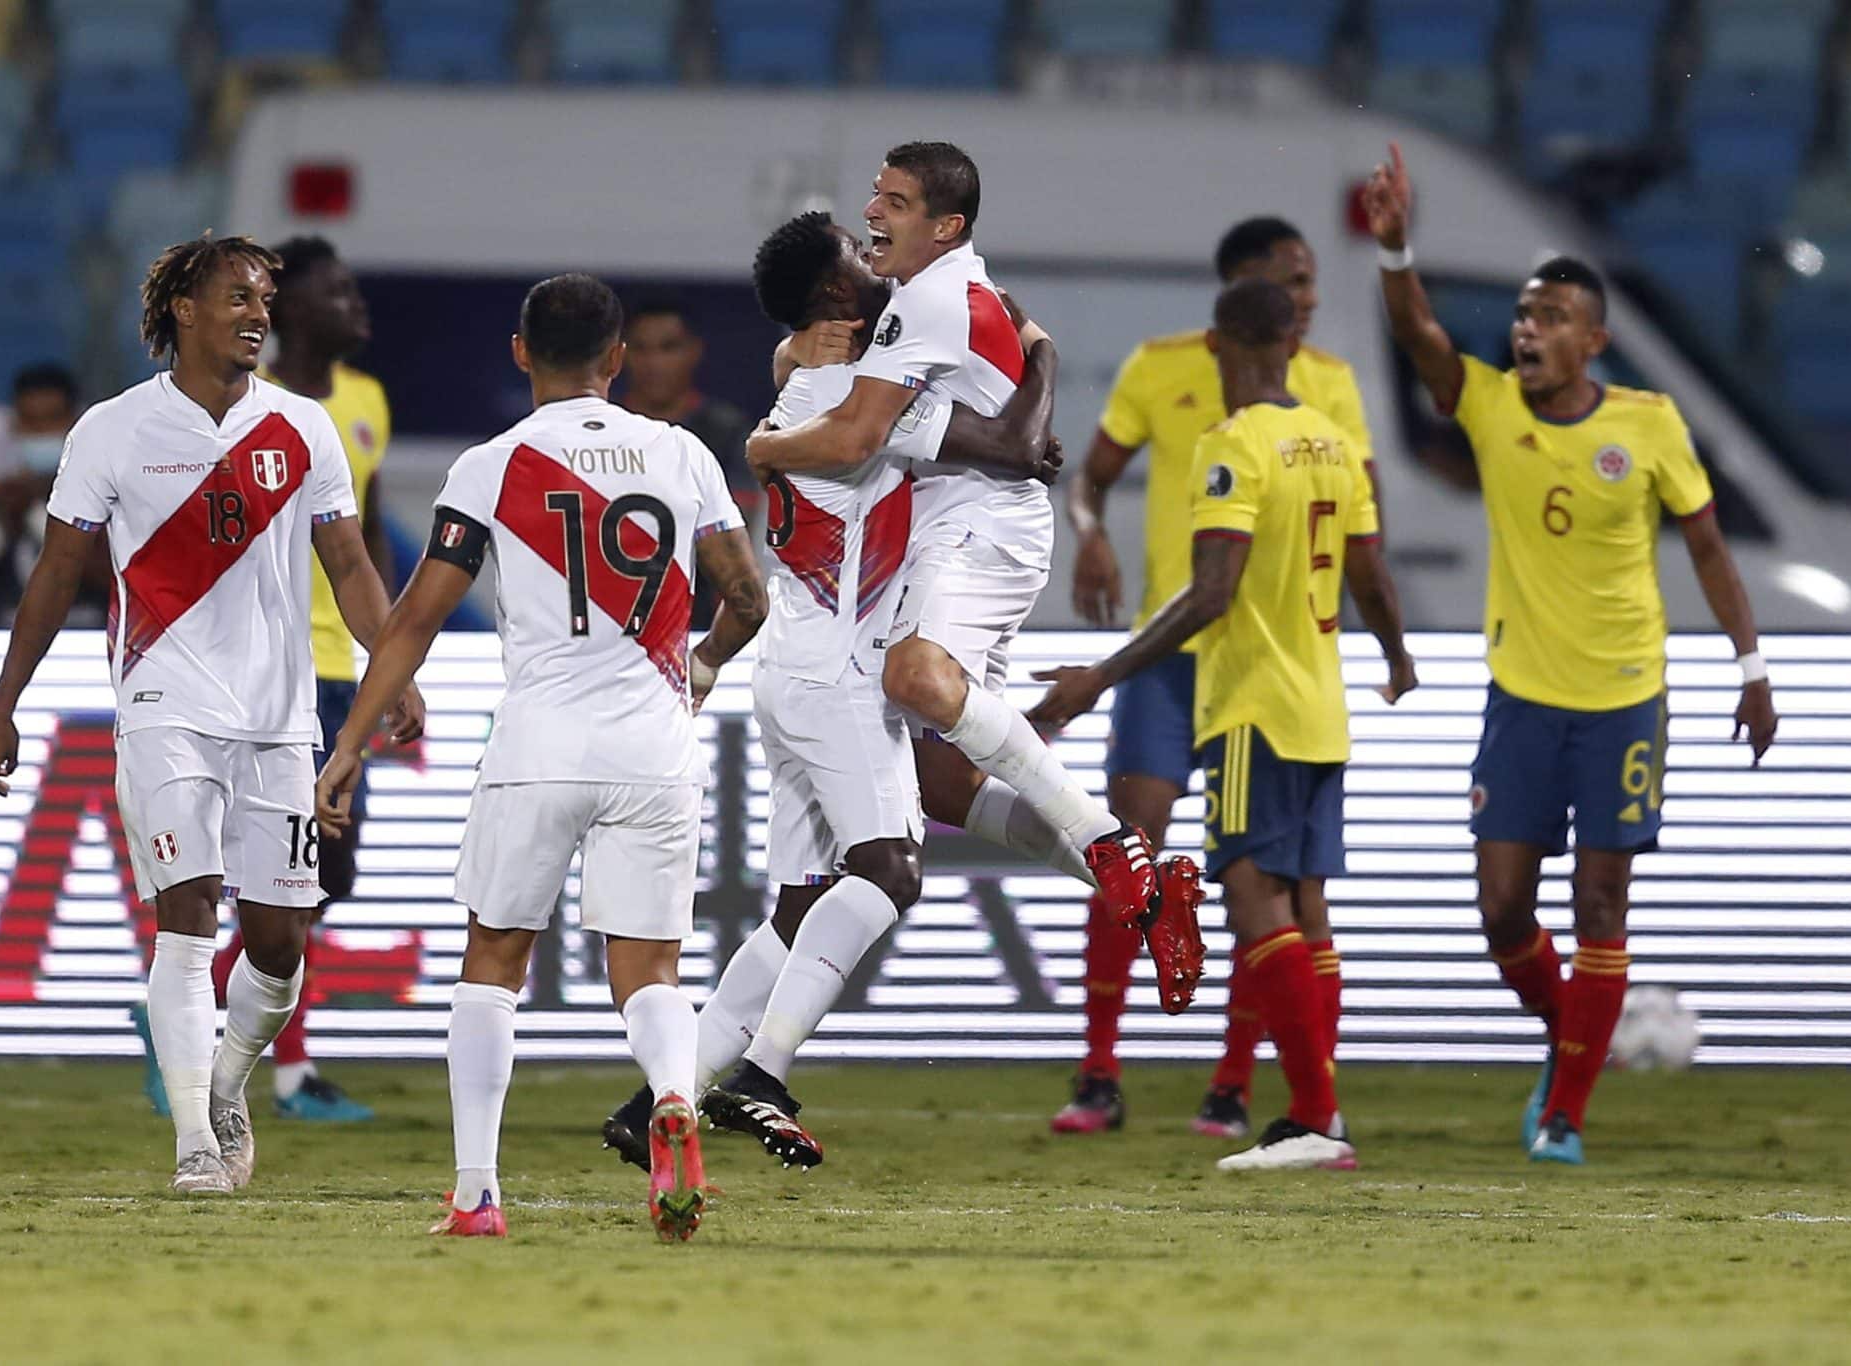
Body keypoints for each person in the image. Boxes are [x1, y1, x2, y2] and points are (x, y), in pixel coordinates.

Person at [596, 210, 1081, 1171]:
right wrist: (1042, 357)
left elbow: (805, 374)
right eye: (859, 258)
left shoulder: (805, 381)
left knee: (798, 907)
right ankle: (761, 1077)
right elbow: (1022, 450)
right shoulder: (865, 400)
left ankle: (661, 1098)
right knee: (891, 871)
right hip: (841, 679)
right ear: (833, 297)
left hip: (796, 670)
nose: (877, 262)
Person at [316, 273, 768, 1241]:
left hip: (537, 743)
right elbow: (748, 597)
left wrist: (351, 742)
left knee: (492, 960)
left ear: (521, 353)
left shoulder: (490, 466)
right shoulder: (682, 454)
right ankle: (670, 1094)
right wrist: (700, 668)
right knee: (648, 969)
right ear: (616, 361)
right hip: (652, 742)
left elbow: (412, 623)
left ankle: (476, 1193)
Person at [0, 235, 423, 1195]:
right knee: (186, 921)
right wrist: (5, 699)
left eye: (264, 299)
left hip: (278, 715)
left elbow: (349, 562)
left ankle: (226, 1079)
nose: (259, 313)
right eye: (237, 297)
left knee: (279, 944)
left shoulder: (304, 428)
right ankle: (193, 1144)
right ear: (183, 308)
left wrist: (395, 671)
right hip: (161, 700)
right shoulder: (112, 430)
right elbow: (58, 570)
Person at [1363, 142, 1777, 1164]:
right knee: (1500, 909)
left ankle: (1564, 1108)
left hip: (1622, 698)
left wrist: (1751, 668)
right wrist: (1396, 248)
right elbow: (1417, 334)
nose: (1526, 331)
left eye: (1548, 320)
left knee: (1599, 900)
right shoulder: (1492, 406)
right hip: (1520, 699)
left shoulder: (1647, 425)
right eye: (1520, 317)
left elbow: (1709, 546)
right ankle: (1572, 1038)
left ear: (1591, 340)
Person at [746, 142, 1200, 1023]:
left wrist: (763, 444)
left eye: (894, 203)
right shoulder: (923, 297)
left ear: (944, 227)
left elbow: (958, 445)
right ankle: (1147, 890)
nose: (874, 215)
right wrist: (1039, 360)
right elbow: (1017, 362)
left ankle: (1108, 844)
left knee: (915, 680)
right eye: (872, 199)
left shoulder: (922, 302)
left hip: (978, 523)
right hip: (951, 531)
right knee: (942, 784)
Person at [1032, 277, 1415, 1172]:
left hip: (1254, 707)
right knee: (1305, 913)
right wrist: (1396, 654)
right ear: (1291, 342)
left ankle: (1314, 1118)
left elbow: (1211, 593)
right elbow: (1369, 572)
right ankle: (1321, 1116)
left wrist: (1102, 673)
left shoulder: (1233, 446)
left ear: (1219, 345)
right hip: (1323, 710)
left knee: (1251, 899)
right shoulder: (1331, 445)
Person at [192, 235, 393, 1123]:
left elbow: (368, 539)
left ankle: (205, 1015)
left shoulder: (364, 403)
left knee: (323, 878)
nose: (357, 306)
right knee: (280, 884)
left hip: (342, 669)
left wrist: (391, 652)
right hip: (264, 672)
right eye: (336, 291)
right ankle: (280, 1073)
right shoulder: (242, 405)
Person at [0, 363, 110, 627]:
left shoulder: (103, 494)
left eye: (52, 419)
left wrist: (39, 519)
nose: (41, 431)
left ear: (75, 423)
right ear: (15, 425)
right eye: (31, 421)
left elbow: (114, 578)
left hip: (86, 647)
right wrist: (1, 531)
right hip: (8, 644)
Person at [621, 300, 759, 627]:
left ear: (694, 351)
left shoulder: (726, 430)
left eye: (668, 348)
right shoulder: (601, 429)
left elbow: (733, 536)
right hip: (608, 618)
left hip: (697, 626)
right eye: (641, 349)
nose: (654, 363)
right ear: (620, 354)